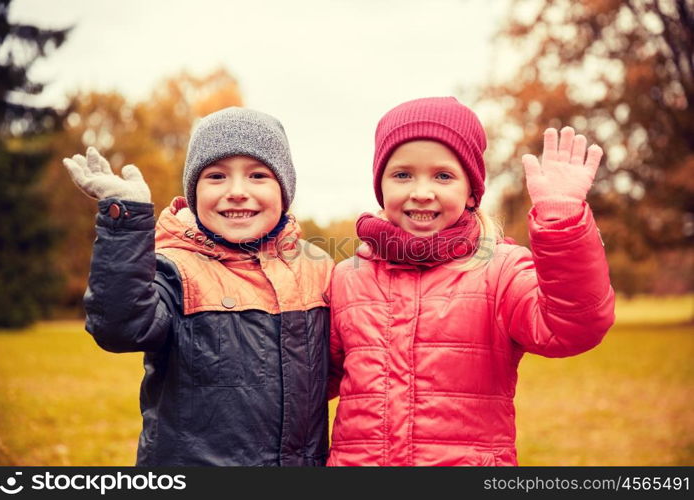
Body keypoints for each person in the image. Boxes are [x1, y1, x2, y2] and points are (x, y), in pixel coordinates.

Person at [326, 96, 615, 466]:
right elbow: (310, 381)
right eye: (402, 174)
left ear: (471, 191)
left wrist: (560, 223)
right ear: (380, 186)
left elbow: (574, 326)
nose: (421, 191)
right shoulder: (348, 278)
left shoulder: (500, 272)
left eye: (443, 175)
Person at [63, 107, 333, 466]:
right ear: (193, 192)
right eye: (217, 177)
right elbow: (120, 327)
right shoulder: (174, 268)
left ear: (284, 190)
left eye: (257, 175)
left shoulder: (317, 268)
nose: (237, 191)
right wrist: (126, 224)